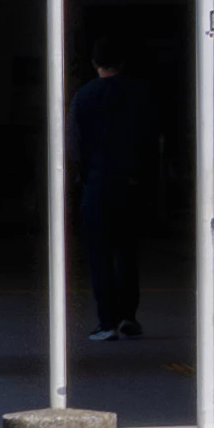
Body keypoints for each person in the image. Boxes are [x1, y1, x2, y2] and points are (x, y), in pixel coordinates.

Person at [68, 54, 145, 346]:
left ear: (94, 62)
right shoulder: (140, 93)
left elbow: (73, 144)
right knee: (128, 252)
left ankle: (107, 321)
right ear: (121, 61)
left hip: (97, 182)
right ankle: (129, 316)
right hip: (131, 182)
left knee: (100, 255)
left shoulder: (83, 96)